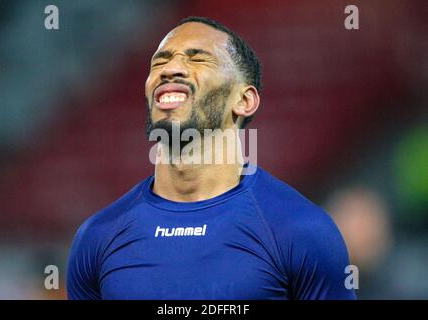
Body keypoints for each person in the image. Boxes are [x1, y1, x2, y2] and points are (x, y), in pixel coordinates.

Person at [67, 16, 356, 300]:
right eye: (159, 62)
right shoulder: (97, 238)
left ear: (244, 100)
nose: (170, 69)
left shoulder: (301, 231)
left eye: (197, 59)